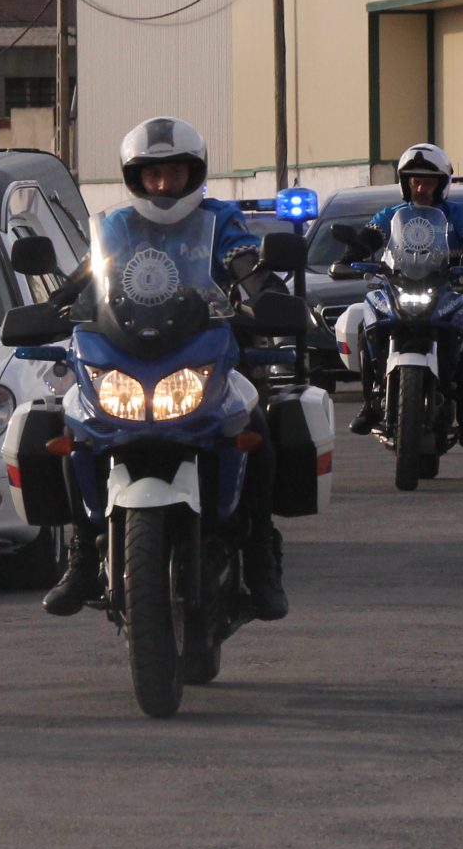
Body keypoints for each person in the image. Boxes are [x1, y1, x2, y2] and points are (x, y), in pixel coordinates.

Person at [42, 117, 289, 623]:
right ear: (135, 178)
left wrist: (265, 292)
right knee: (74, 427)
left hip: (206, 348)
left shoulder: (221, 219)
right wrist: (54, 306)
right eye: (152, 175)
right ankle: (82, 554)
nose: (162, 185)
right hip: (128, 351)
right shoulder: (117, 226)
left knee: (257, 425)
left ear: (193, 174)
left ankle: (261, 556)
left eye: (174, 173)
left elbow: (243, 261)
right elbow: (90, 273)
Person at [348, 142, 463, 449]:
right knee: (366, 325)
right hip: (399, 286)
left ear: (441, 184)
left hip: (447, 288)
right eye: (415, 181)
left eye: (428, 182)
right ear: (406, 183)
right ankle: (371, 400)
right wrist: (353, 252)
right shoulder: (393, 213)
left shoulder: (456, 214)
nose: (420, 188)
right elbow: (372, 234)